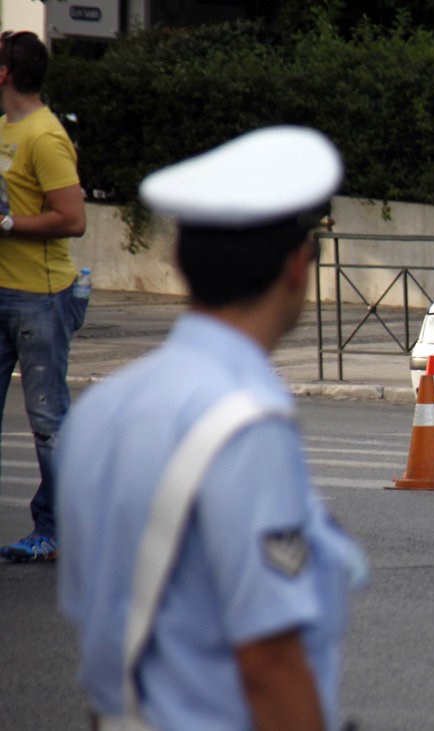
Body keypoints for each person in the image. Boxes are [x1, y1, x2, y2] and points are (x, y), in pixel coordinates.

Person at [56, 127, 367, 729]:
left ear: (177, 260)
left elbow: (104, 641)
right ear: (298, 268)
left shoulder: (102, 409)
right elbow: (270, 662)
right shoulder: (245, 422)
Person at [0, 30, 87, 563]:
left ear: (5, 73)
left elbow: (72, 219)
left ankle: (54, 529)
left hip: (40, 296)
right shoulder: (5, 130)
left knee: (48, 422)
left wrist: (8, 224)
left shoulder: (45, 137)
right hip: (4, 290)